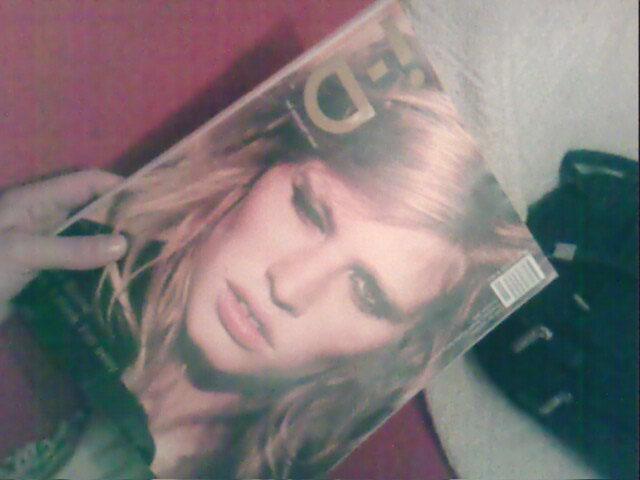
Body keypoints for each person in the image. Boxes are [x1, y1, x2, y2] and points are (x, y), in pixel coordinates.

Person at [1, 41, 534, 479]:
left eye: (368, 293)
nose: (289, 286)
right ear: (257, 168)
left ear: (403, 349)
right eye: (309, 210)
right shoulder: (51, 286)